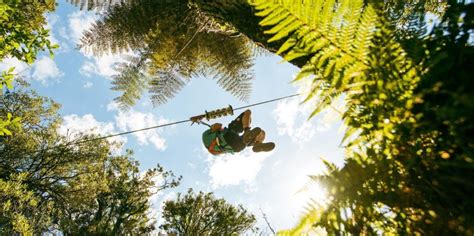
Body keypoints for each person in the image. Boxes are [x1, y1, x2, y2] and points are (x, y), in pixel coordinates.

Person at [201, 110, 275, 155]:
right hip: (229, 135)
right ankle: (248, 133)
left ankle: (255, 143)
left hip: (236, 147)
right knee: (247, 112)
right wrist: (214, 127)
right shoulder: (205, 135)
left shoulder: (213, 151)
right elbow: (219, 125)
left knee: (257, 134)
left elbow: (223, 152)